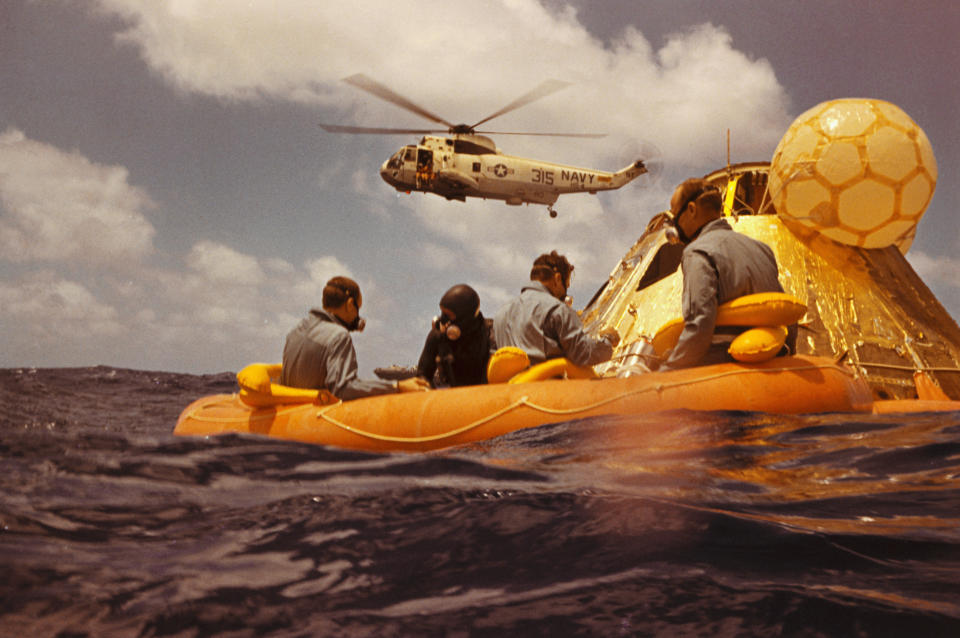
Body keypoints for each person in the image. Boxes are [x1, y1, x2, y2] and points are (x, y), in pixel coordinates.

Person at [662, 177, 794, 369]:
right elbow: (784, 312)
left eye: (675, 214)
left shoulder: (697, 251)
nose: (675, 223)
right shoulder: (761, 248)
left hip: (723, 361)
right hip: (774, 361)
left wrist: (669, 369)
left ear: (691, 210)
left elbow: (700, 325)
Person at [281, 276, 429, 399]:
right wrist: (397, 386)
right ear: (350, 304)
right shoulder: (338, 336)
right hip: (317, 421)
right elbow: (343, 388)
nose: (357, 317)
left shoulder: (295, 332)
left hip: (288, 417)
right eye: (358, 308)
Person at [493, 251, 619, 367]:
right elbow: (582, 354)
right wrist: (608, 341)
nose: (565, 292)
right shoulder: (557, 310)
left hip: (508, 389)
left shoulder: (501, 314)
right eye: (566, 286)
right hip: (546, 388)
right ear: (558, 279)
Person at [416, 284, 493, 387]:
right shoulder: (437, 336)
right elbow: (422, 377)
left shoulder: (490, 334)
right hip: (451, 396)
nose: (443, 320)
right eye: (442, 313)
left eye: (448, 315)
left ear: (465, 318)